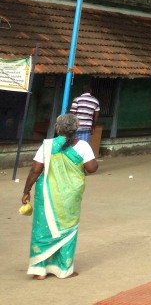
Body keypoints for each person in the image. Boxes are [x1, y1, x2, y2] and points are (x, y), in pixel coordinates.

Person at [22, 113, 99, 279]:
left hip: (47, 194)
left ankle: (39, 270)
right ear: (76, 129)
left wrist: (26, 190)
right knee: (68, 229)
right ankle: (64, 269)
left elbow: (35, 170)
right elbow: (92, 168)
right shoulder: (83, 146)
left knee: (43, 229)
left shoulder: (47, 145)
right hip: (71, 195)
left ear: (58, 128)